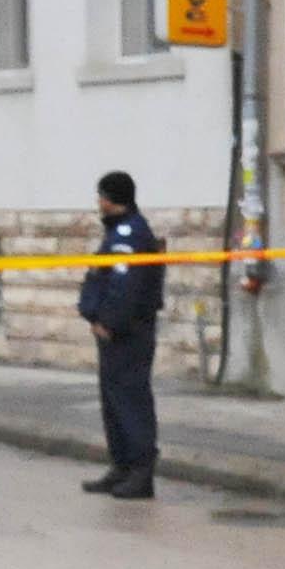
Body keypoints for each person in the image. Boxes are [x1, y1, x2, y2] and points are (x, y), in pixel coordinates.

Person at [80, 170, 164, 500]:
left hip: (127, 332)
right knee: (114, 401)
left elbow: (124, 287)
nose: (98, 202)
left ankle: (141, 471)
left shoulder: (129, 234)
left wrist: (109, 323)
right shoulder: (118, 232)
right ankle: (122, 466)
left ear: (112, 199)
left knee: (131, 399)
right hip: (115, 332)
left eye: (101, 196)